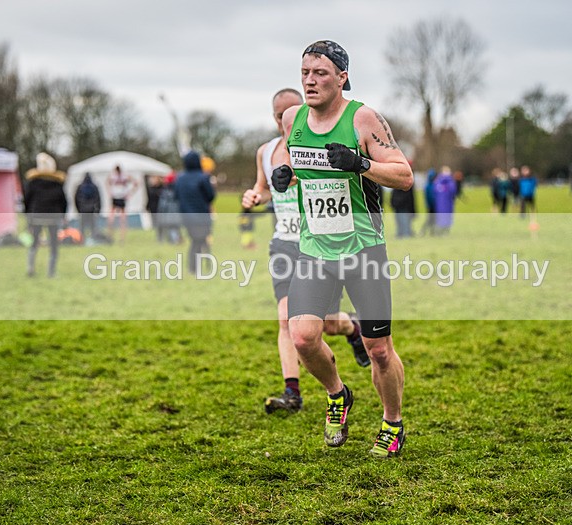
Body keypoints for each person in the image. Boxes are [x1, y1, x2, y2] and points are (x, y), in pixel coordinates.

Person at [273, 40, 413, 457]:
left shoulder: (363, 119)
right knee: (301, 337)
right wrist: (287, 177)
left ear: (342, 77)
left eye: (320, 74)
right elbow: (303, 168)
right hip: (315, 248)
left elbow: (404, 176)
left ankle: (392, 423)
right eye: (305, 74)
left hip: (363, 248)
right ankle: (338, 394)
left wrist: (361, 164)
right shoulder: (293, 118)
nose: (310, 81)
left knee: (379, 350)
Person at [242, 88, 370, 416]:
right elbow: (264, 188)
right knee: (286, 318)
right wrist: (254, 197)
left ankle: (352, 328)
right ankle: (292, 391)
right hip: (284, 244)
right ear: (274, 119)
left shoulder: (315, 148)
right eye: (279, 115)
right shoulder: (266, 151)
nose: (286, 121)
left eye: (292, 113)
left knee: (327, 325)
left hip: (317, 244)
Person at [24, 152, 67, 278]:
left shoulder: (33, 183)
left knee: (34, 242)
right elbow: (63, 202)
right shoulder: (57, 185)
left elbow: (27, 200)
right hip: (53, 217)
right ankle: (51, 272)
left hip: (36, 215)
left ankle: (30, 267)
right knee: (53, 244)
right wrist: (63, 216)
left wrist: (28, 215)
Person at [175, 151, 216, 274]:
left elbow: (176, 196)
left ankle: (200, 266)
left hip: (186, 216)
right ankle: (197, 267)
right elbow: (210, 196)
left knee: (197, 240)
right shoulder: (203, 177)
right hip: (202, 215)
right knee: (200, 240)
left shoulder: (180, 178)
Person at [106, 165, 136, 244]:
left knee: (120, 220)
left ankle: (120, 238)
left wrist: (129, 193)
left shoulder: (120, 176)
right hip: (118, 198)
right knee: (114, 219)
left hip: (120, 198)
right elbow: (135, 183)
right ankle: (113, 236)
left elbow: (135, 183)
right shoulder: (121, 176)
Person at [74, 172, 101, 244]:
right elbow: (98, 199)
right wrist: (98, 210)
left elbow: (76, 199)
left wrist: (78, 209)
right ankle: (93, 240)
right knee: (92, 227)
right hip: (91, 210)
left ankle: (82, 241)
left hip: (83, 210)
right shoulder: (94, 187)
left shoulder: (80, 187)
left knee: (82, 228)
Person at [433, 165, 457, 234]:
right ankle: (444, 230)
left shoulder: (438, 182)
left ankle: (442, 230)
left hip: (441, 204)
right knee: (446, 217)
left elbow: (434, 192)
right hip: (446, 204)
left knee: (442, 217)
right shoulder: (450, 182)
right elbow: (453, 192)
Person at [145, 174, 164, 241]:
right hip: (153, 208)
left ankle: (161, 237)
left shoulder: (161, 188)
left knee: (160, 223)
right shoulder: (151, 189)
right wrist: (147, 206)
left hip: (160, 208)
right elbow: (149, 199)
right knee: (156, 223)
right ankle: (159, 237)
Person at [419, 168, 437, 236]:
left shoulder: (432, 185)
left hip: (432, 205)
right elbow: (429, 197)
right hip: (431, 206)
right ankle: (424, 231)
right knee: (430, 220)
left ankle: (432, 232)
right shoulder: (429, 186)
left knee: (433, 220)